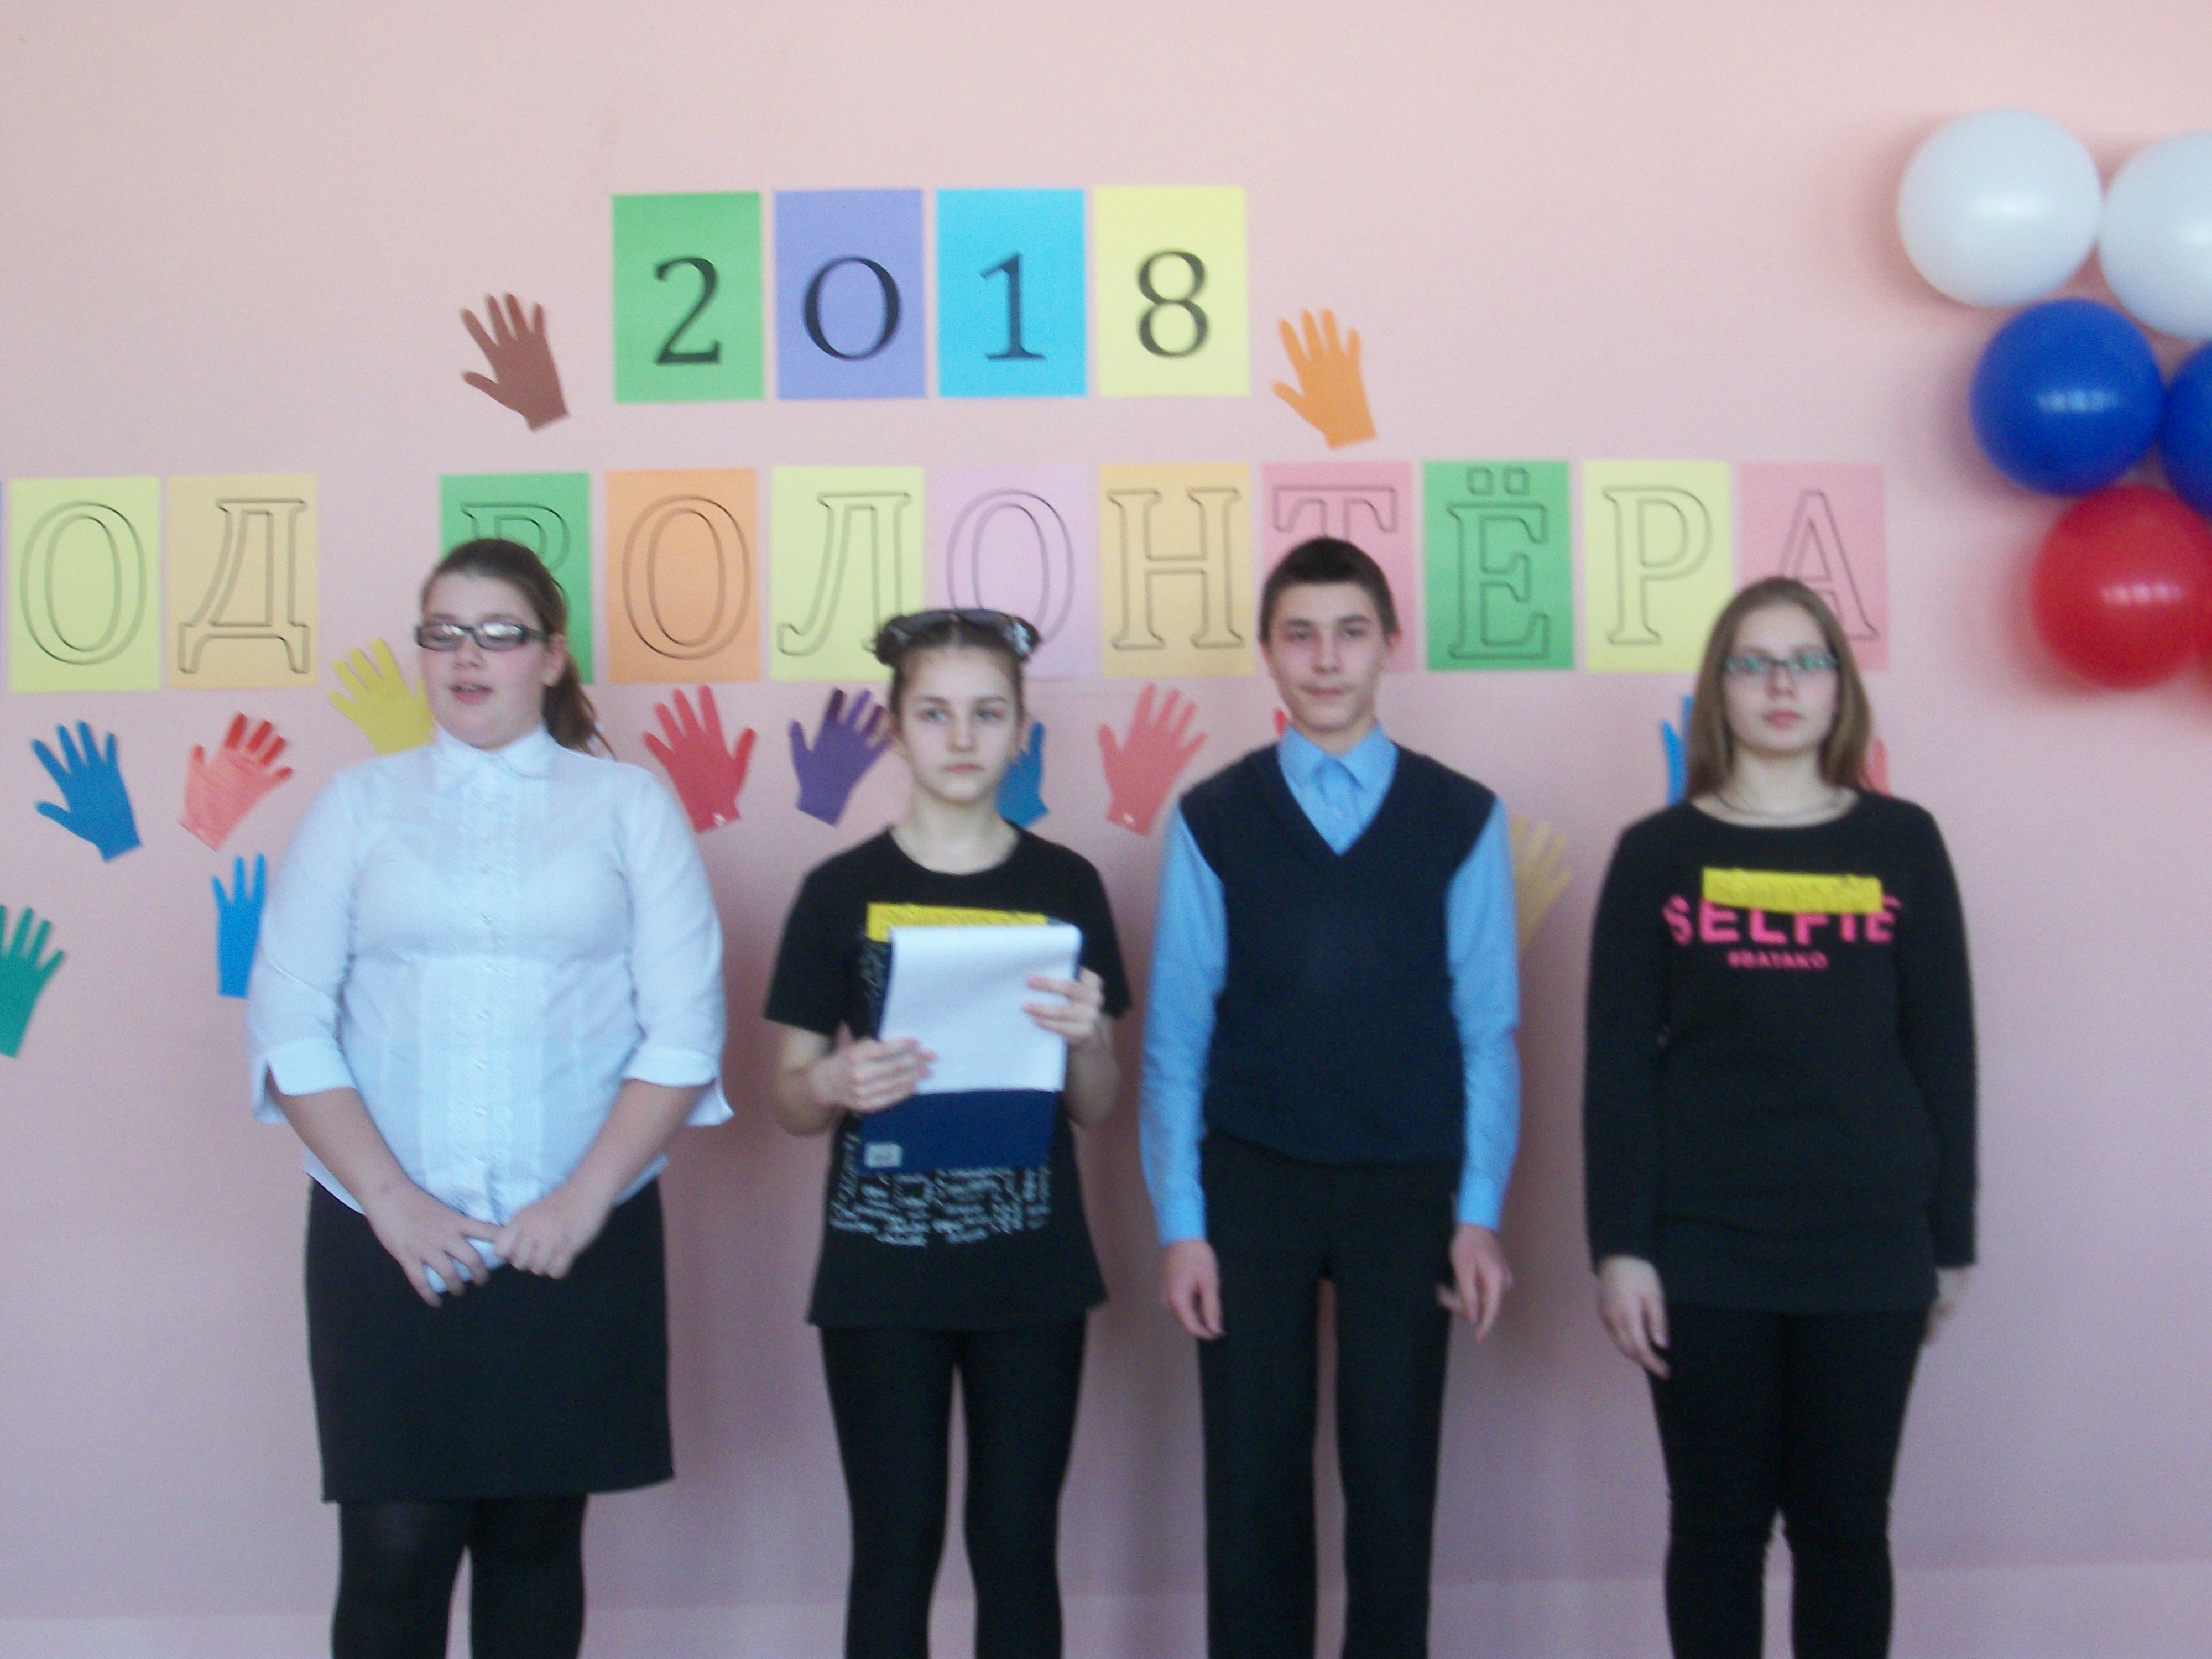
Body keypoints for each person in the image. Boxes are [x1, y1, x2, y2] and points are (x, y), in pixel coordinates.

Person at [248, 539, 728, 1659]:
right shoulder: (357, 804)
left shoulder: (627, 805)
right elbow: (288, 1023)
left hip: (575, 1238)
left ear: (551, 658)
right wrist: (393, 1206)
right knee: (393, 1552)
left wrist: (582, 1201)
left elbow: (684, 1032)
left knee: (536, 1546)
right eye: (444, 633)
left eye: (499, 634)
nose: (468, 656)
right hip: (384, 1239)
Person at [1140, 536, 1521, 1659]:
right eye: (1299, 634)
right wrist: (1182, 1224)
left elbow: (1487, 1032)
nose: (1325, 658)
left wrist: (1477, 1212)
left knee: (1393, 1490)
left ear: (1388, 644)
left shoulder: (1462, 817)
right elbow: (1175, 1039)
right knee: (1251, 1489)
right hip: (1251, 1182)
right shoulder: (1214, 817)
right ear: (1267, 652)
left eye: (1349, 632)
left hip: (1408, 1187)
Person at [1583, 576, 1976, 1659]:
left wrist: (1948, 1242)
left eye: (1805, 661)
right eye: (1752, 663)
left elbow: (1943, 1051)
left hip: (1869, 1243)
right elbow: (1616, 1069)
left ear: (1838, 686)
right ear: (1719, 688)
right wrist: (1620, 1247)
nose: (1780, 685)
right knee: (1716, 1526)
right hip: (1705, 1249)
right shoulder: (1656, 854)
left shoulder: (1902, 843)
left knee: (1844, 1527)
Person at [764, 609, 1130, 1659]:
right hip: (880, 1274)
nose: (962, 737)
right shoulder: (838, 892)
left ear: (1021, 731)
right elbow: (789, 1099)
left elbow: (1095, 1104)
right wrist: (832, 1080)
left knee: (1017, 1547)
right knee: (894, 1548)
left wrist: (1087, 1041)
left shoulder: (1067, 886)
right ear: (895, 729)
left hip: (1033, 1269)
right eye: (934, 714)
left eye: (987, 713)